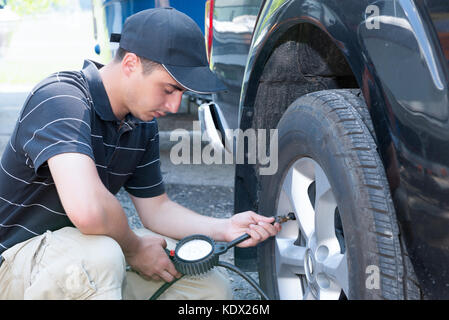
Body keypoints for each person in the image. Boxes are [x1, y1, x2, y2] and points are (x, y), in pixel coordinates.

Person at [0, 7, 281, 299]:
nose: (174, 106)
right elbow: (88, 211)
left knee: (208, 286)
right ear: (131, 64)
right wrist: (134, 249)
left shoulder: (140, 124)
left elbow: (156, 209)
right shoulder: (60, 99)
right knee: (102, 256)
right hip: (15, 265)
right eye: (169, 89)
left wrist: (224, 227)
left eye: (182, 94)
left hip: (77, 259)